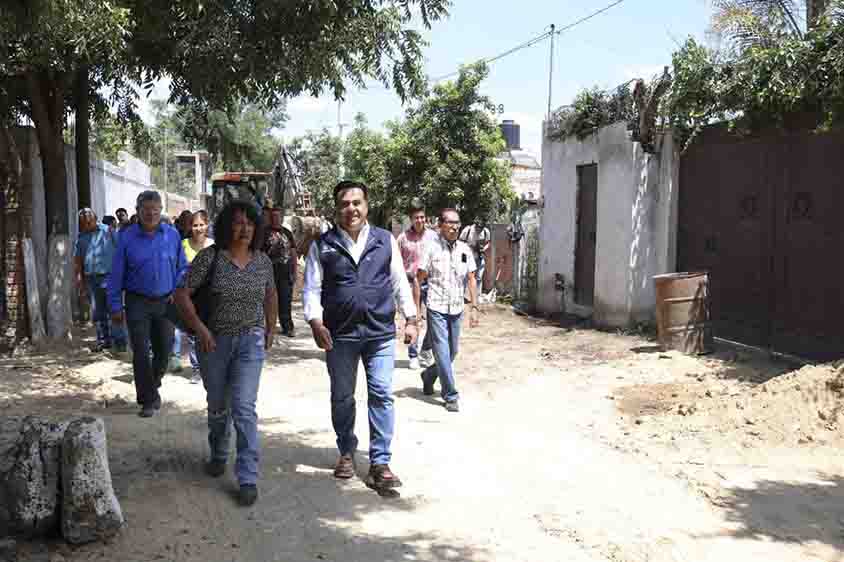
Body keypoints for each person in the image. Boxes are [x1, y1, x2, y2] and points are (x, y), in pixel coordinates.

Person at [303, 180, 417, 491]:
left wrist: (411, 318)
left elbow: (399, 281)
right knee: (342, 396)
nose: (351, 209)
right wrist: (315, 323)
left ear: (366, 206)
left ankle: (380, 462)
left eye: (357, 203)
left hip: (379, 333)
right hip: (339, 335)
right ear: (336, 208)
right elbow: (311, 288)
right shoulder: (322, 245)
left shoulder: (384, 240)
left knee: (381, 393)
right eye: (344, 204)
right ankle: (346, 451)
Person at [174, 200, 277, 507]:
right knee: (218, 405)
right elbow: (181, 294)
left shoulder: (263, 261)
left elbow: (270, 294)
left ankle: (247, 476)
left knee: (244, 407)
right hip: (214, 343)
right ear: (226, 226)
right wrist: (200, 329)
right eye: (238, 222)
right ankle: (219, 452)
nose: (244, 228)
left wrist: (270, 327)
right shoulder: (211, 258)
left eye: (250, 223)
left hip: (250, 342)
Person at [108, 191, 188, 418]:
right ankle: (148, 400)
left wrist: (178, 290)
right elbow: (116, 274)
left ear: (161, 210)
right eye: (146, 209)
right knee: (141, 352)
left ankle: (153, 384)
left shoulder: (172, 235)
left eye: (155, 209)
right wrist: (115, 306)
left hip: (166, 301)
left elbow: (182, 267)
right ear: (138, 211)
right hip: (137, 302)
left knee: (164, 351)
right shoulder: (127, 237)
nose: (151, 213)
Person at [417, 208, 480, 413]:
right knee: (442, 352)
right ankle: (450, 395)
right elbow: (419, 279)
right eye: (450, 223)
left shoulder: (464, 249)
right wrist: (416, 310)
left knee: (451, 352)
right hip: (436, 307)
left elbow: (471, 278)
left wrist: (474, 307)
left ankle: (428, 375)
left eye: (457, 223)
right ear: (440, 225)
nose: (454, 227)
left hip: (456, 308)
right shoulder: (431, 248)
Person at [74, 209, 126, 352]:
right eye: (83, 222)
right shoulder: (81, 237)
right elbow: (78, 260)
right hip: (91, 279)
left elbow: (122, 251)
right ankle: (104, 341)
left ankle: (120, 343)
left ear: (95, 219)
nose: (86, 224)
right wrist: (79, 280)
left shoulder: (108, 231)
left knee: (114, 310)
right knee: (98, 312)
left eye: (89, 221)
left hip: (110, 277)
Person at [396, 198, 437, 370]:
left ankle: (425, 350)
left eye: (422, 217)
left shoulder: (433, 236)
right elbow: (396, 263)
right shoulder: (403, 238)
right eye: (416, 218)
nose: (419, 220)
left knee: (434, 320)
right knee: (412, 319)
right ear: (411, 219)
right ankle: (413, 355)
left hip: (430, 282)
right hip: (410, 283)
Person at [180, 210, 214, 383]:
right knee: (193, 333)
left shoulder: (214, 245)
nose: (199, 228)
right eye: (195, 225)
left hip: (211, 297)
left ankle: (210, 364)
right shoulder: (183, 245)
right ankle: (196, 369)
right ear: (190, 227)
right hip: (190, 297)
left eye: (201, 225)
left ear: (207, 225)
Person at [263, 207, 298, 337]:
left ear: (282, 218)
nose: (275, 219)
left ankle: (287, 327)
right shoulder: (264, 233)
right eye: (273, 216)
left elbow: (293, 252)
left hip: (285, 273)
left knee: (285, 301)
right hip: (269, 273)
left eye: (278, 216)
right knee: (267, 301)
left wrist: (295, 270)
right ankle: (267, 328)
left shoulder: (287, 233)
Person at [459, 217, 490, 297]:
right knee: (464, 275)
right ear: (475, 225)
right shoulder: (468, 230)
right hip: (466, 255)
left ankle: (477, 296)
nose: (479, 230)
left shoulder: (486, 231)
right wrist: (470, 247)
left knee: (479, 277)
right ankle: (461, 295)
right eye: (478, 228)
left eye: (481, 228)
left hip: (479, 256)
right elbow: (460, 242)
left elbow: (488, 243)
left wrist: (484, 248)